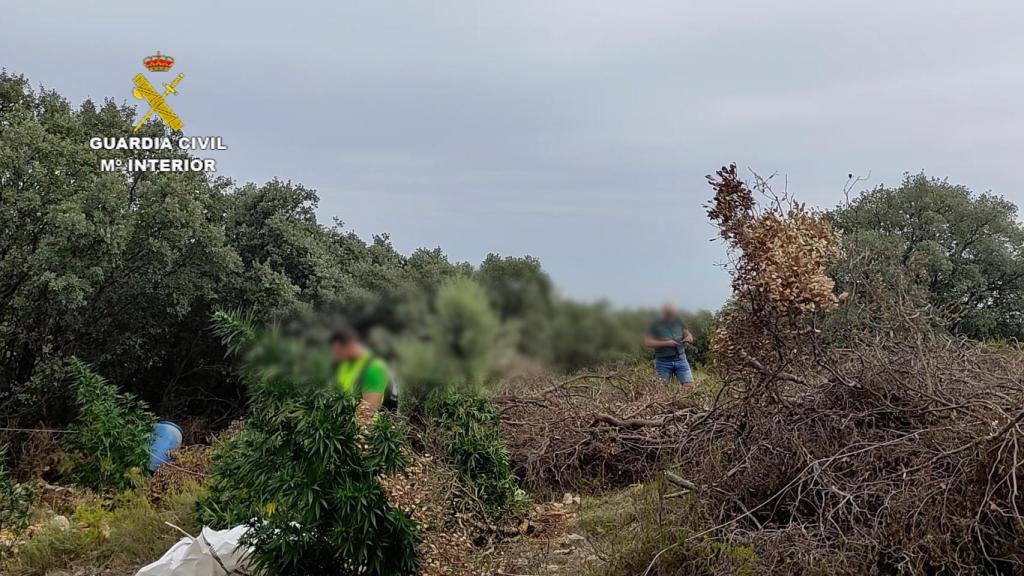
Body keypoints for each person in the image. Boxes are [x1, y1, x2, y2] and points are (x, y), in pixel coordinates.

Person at [329, 326, 393, 426]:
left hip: (365, 432)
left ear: (349, 344)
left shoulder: (373, 368)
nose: (337, 356)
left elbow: (367, 411)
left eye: (339, 352)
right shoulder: (345, 364)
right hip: (343, 427)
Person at [644, 302, 695, 387]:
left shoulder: (679, 322)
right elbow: (647, 342)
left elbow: (689, 335)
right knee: (661, 390)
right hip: (663, 361)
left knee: (689, 387)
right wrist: (666, 343)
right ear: (663, 312)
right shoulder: (655, 324)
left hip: (681, 359)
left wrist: (689, 338)